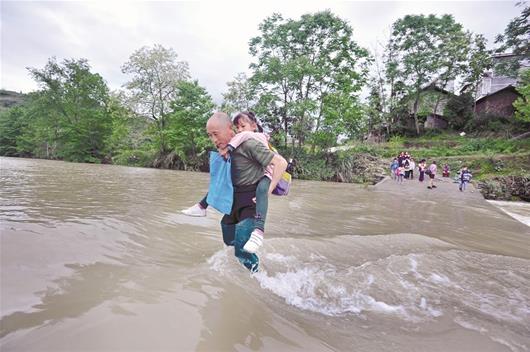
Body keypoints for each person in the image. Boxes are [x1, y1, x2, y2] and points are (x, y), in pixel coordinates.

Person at [206, 112, 287, 272]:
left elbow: (280, 162)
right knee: (228, 235)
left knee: (241, 246)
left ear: (230, 130)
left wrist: (269, 189)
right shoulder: (226, 151)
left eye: (216, 134)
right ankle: (239, 268)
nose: (213, 140)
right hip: (234, 204)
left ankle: (259, 279)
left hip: (251, 202)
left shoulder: (250, 144)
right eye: (210, 136)